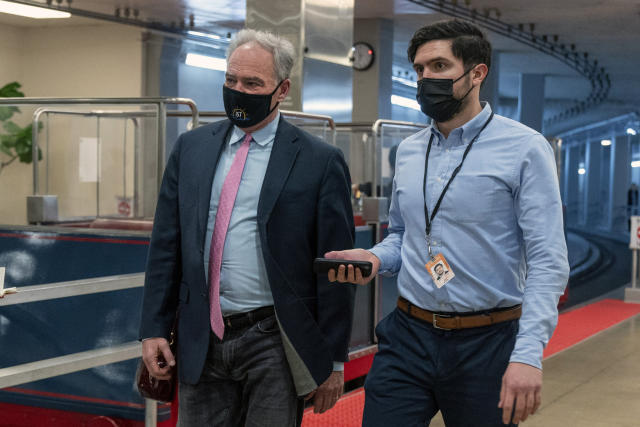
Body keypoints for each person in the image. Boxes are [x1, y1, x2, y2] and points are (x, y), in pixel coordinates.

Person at [327, 19, 569, 426]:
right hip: (408, 335)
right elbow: (403, 236)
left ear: (477, 73)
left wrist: (528, 355)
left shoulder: (525, 149)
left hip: (487, 343)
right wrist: (372, 258)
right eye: (420, 69)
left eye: (439, 67)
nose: (425, 79)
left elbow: (548, 260)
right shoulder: (408, 150)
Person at [139, 29, 356, 427]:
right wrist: (153, 328)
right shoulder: (192, 149)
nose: (238, 91)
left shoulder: (319, 161)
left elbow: (336, 268)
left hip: (274, 337)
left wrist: (334, 360)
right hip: (200, 337)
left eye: (252, 83)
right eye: (231, 80)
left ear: (282, 89)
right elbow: (166, 244)